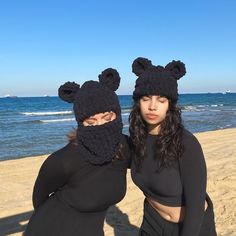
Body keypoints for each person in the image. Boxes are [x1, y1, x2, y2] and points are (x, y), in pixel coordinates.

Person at [25, 68, 130, 236]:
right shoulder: (63, 161)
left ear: (117, 115)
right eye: (91, 121)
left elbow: (152, 160)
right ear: (81, 124)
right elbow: (39, 199)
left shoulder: (124, 147)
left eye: (108, 118)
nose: (100, 125)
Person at [129, 57, 217, 236]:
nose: (152, 106)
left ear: (170, 105)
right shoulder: (136, 140)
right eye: (146, 98)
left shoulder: (186, 143)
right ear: (138, 102)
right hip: (152, 222)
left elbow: (195, 208)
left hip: (192, 226)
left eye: (161, 100)